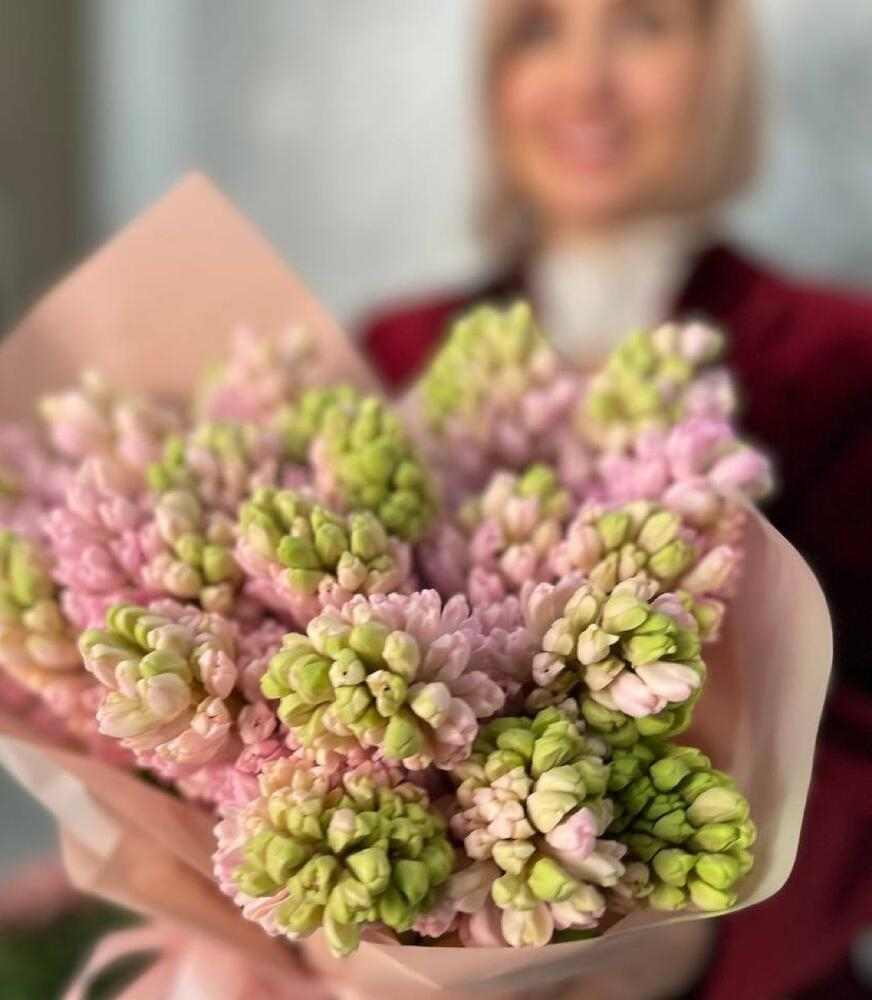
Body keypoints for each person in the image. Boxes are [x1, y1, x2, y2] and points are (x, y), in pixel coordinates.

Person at [360, 1, 872, 995]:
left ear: (716, 62)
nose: (584, 82)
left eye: (640, 24)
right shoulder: (394, 352)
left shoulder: (838, 359)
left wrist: (694, 939)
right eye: (538, 30)